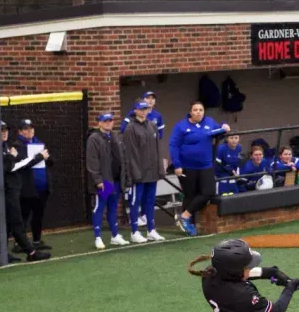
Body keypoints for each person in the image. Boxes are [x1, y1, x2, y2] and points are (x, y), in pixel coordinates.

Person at [170, 100, 230, 237]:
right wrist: (177, 165)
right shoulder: (181, 126)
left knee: (208, 192)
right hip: (187, 167)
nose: (198, 112)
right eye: (195, 110)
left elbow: (218, 130)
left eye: (201, 110)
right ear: (190, 112)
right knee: (190, 195)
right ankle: (188, 225)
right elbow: (173, 146)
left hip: (206, 165)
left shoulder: (209, 122)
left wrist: (224, 126)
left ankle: (184, 216)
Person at [1, 121, 50, 262]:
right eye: (1, 130)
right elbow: (10, 167)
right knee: (17, 222)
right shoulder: (10, 147)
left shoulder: (6, 146)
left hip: (19, 189)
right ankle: (30, 252)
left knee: (13, 223)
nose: (4, 132)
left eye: (5, 130)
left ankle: (27, 249)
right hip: (12, 191)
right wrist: (12, 156)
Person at [122, 100, 165, 244]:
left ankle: (151, 230)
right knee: (135, 202)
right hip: (139, 173)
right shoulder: (130, 128)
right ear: (135, 110)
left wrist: (160, 168)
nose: (143, 111)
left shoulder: (152, 125)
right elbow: (130, 154)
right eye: (141, 109)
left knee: (150, 201)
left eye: (145, 109)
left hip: (152, 172)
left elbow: (157, 149)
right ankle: (134, 231)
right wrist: (135, 173)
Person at [86, 112, 129, 250]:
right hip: (105, 181)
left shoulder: (116, 136)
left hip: (115, 180)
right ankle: (97, 237)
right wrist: (98, 180)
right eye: (105, 121)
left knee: (113, 207)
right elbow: (92, 161)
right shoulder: (94, 138)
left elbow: (123, 157)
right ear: (99, 123)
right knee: (100, 207)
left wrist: (125, 176)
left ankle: (115, 235)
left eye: (110, 120)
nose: (109, 123)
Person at [15, 119, 53, 252]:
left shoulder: (39, 143)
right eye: (25, 128)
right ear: (20, 131)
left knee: (38, 215)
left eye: (31, 128)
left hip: (41, 187)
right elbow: (21, 165)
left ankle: (37, 241)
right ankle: (20, 243)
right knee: (24, 216)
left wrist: (47, 157)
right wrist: (40, 157)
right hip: (27, 188)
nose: (29, 130)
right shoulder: (17, 146)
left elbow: (51, 162)